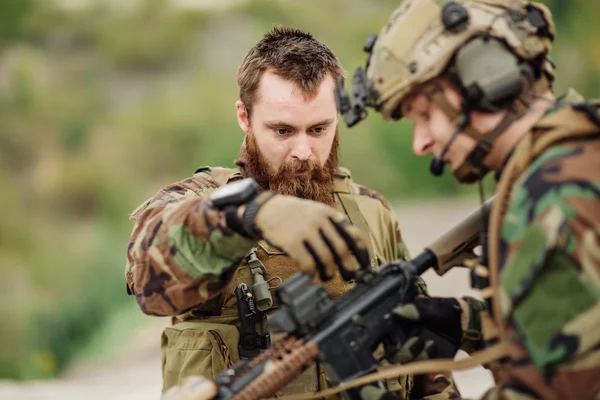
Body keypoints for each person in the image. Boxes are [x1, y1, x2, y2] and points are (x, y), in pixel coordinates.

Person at [126, 26, 459, 399]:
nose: (303, 151)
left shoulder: (369, 211)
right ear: (244, 116)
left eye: (319, 128)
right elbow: (145, 276)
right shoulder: (204, 202)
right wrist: (246, 216)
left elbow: (428, 366)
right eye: (282, 131)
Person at [337, 0, 600, 398]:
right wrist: (464, 324)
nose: (421, 143)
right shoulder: (580, 152)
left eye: (424, 114)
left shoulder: (554, 198)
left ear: (485, 77)